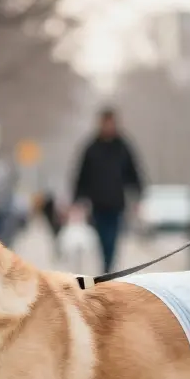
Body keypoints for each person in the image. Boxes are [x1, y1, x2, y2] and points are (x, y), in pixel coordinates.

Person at [72, 108, 145, 274]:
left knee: (113, 238)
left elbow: (133, 172)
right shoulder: (91, 148)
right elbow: (81, 175)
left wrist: (138, 195)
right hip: (97, 203)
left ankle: (108, 268)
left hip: (117, 203)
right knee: (102, 238)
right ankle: (106, 267)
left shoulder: (123, 146)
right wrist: (78, 199)